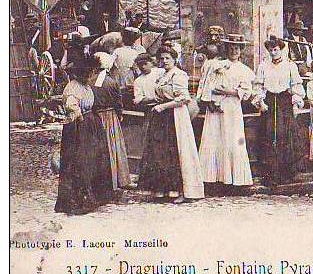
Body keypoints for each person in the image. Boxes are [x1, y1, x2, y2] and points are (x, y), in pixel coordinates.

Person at [137, 47, 204, 203]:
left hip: (175, 115)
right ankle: (164, 188)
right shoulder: (162, 74)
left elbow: (184, 99)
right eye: (162, 58)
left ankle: (182, 190)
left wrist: (163, 106)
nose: (164, 61)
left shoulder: (179, 75)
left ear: (174, 59)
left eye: (168, 58)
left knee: (176, 151)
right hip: (162, 117)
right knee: (161, 153)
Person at [54, 54, 113, 215]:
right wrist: (81, 119)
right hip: (79, 127)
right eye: (91, 72)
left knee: (94, 159)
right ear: (84, 73)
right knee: (80, 161)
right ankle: (78, 200)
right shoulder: (73, 87)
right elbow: (71, 106)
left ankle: (95, 195)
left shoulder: (86, 86)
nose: (93, 75)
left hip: (90, 123)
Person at [198, 34, 255, 188]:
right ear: (226, 49)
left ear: (241, 50)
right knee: (214, 137)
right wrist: (209, 100)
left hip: (232, 107)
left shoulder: (245, 70)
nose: (234, 51)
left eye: (237, 48)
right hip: (216, 107)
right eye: (231, 48)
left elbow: (246, 92)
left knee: (233, 138)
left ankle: (234, 179)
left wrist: (229, 91)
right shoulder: (217, 65)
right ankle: (212, 178)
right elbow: (207, 85)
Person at [253, 36, 306, 186]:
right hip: (269, 102)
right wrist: (260, 102)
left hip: (284, 102)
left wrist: (295, 103)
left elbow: (296, 86)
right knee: (269, 134)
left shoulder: (290, 66)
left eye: (276, 49)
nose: (273, 52)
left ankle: (287, 173)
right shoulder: (263, 66)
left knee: (285, 134)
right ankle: (270, 173)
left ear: (281, 50)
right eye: (271, 50)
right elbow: (259, 86)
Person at [91, 63, 131, 193]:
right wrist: (119, 114)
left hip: (96, 116)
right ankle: (119, 178)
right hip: (110, 116)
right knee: (114, 145)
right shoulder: (111, 82)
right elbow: (118, 101)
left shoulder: (90, 81)